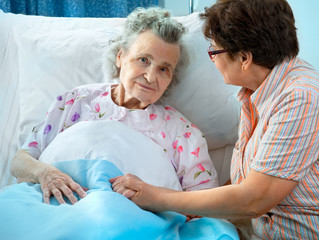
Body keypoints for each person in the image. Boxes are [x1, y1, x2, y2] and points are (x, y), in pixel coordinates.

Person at [111, 0, 319, 239]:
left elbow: (254, 200)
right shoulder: (258, 94)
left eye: (214, 51)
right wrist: (189, 207)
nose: (212, 59)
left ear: (245, 59)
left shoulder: (301, 99)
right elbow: (251, 180)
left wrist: (155, 197)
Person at [10, 7, 219, 206]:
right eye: (144, 59)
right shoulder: (75, 102)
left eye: (164, 69)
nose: (150, 76)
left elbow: (205, 205)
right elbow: (21, 160)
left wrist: (152, 199)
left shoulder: (183, 134)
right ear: (120, 56)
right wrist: (45, 174)